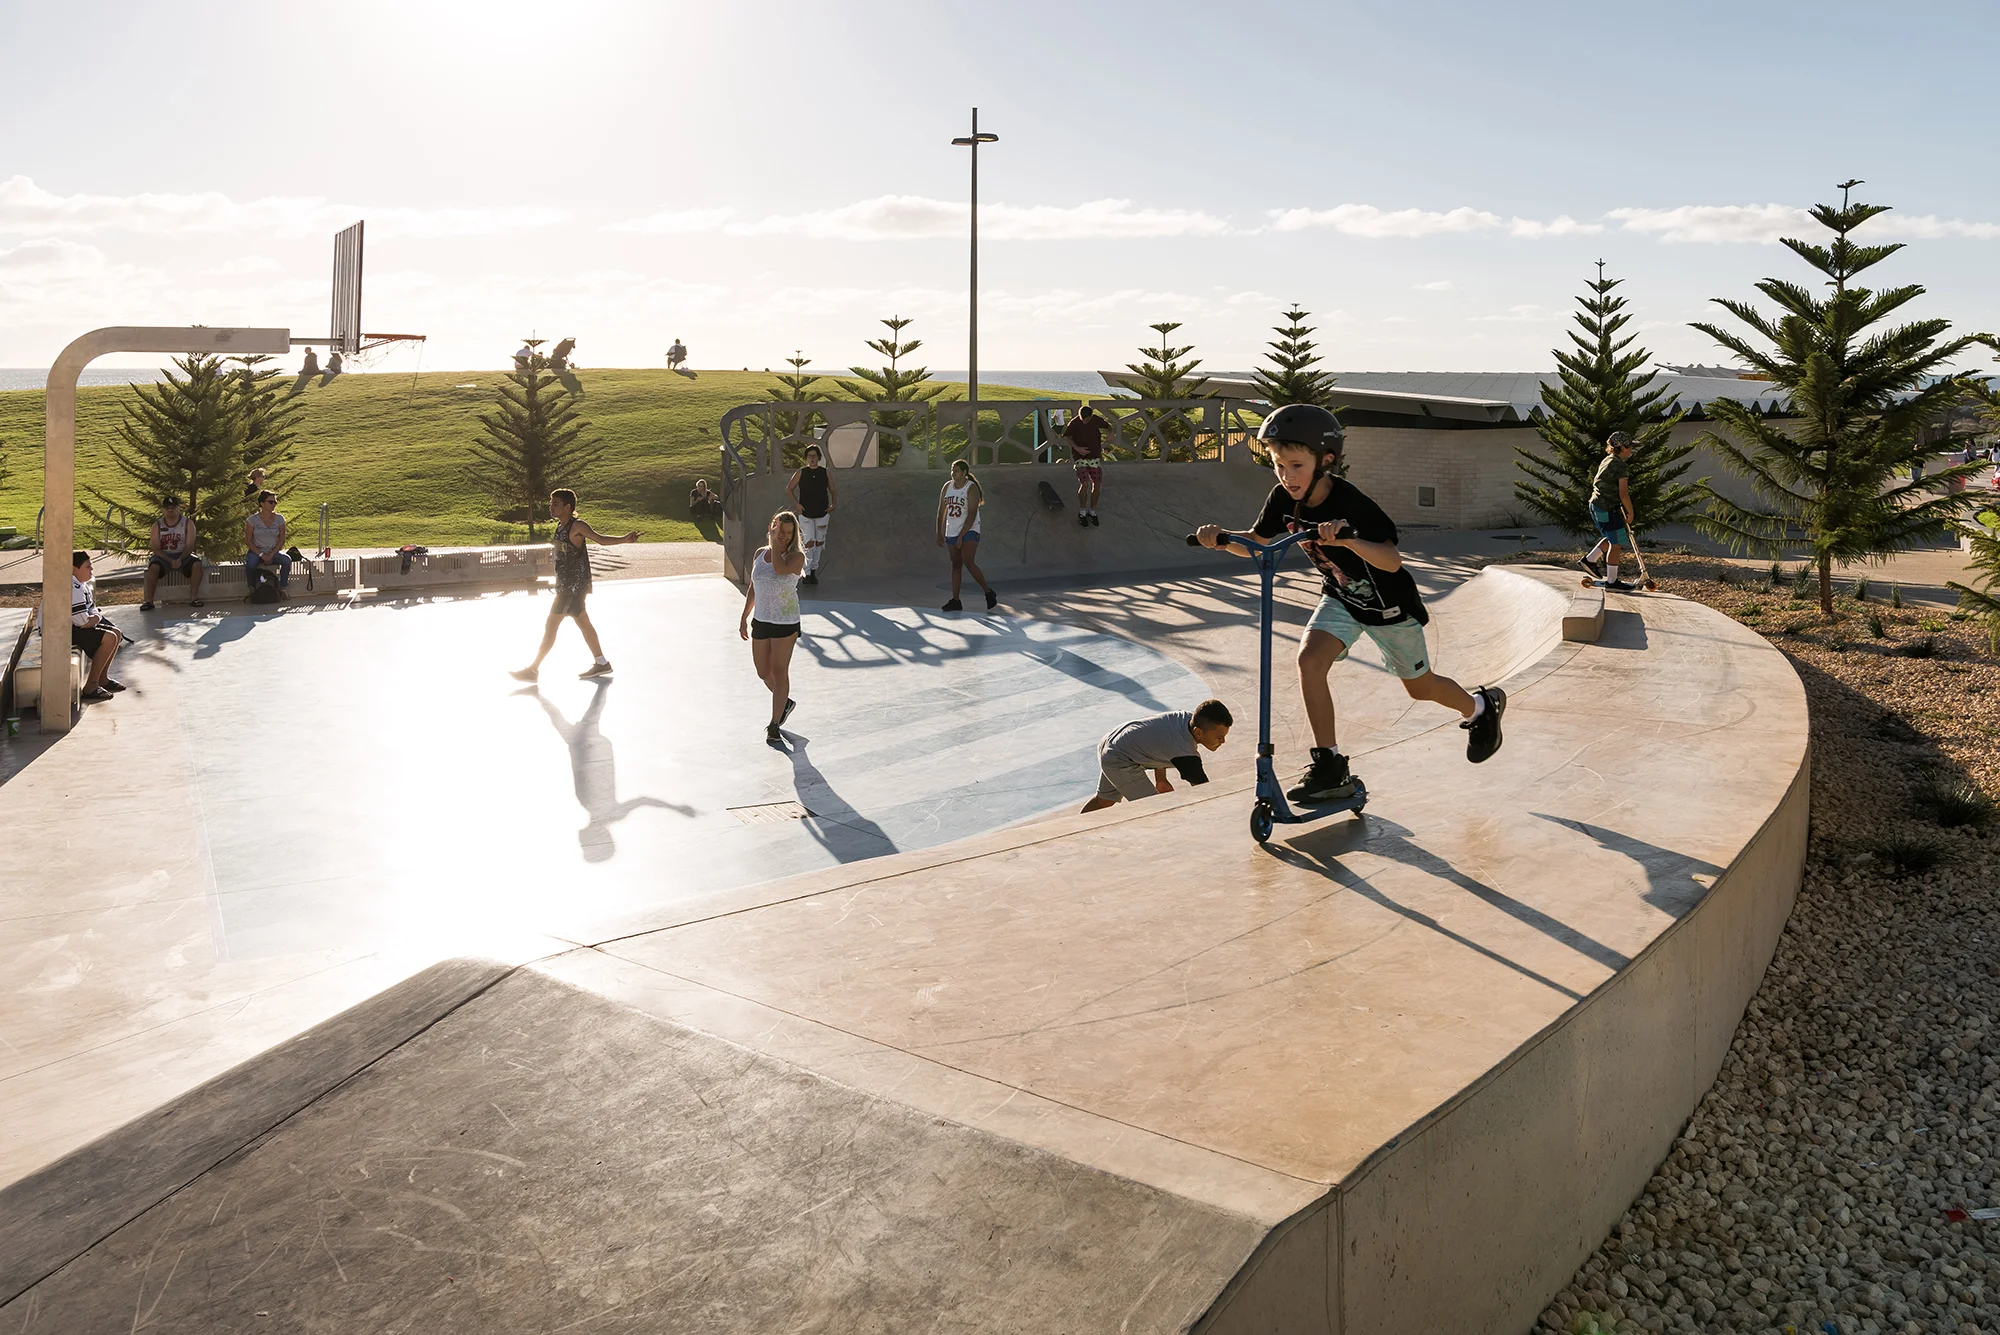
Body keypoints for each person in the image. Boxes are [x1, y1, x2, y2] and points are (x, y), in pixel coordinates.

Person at [1194, 403, 1505, 804]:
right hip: (1340, 598)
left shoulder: (1351, 502)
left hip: (1388, 607)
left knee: (1421, 688)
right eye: (1278, 465)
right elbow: (1260, 542)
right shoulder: (1281, 499)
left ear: (1325, 460)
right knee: (1309, 661)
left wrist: (1348, 539)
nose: (1286, 476)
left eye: (1296, 465)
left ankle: (1481, 707)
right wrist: (1220, 537)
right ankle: (1330, 764)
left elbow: (1392, 561)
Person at [510, 489, 641, 682]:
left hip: (572, 587)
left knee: (551, 625)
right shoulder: (560, 527)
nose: (551, 507)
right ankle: (602, 662)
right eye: (551, 503)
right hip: (566, 584)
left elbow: (601, 539)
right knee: (583, 623)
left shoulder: (577, 526)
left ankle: (533, 669)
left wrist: (625, 539)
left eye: (556, 504)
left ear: (568, 507)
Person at [1080, 700, 1233, 814]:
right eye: (1219, 737)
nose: (1223, 741)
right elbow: (1204, 792)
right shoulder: (1187, 755)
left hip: (1113, 741)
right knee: (1157, 811)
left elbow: (1160, 741)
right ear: (1198, 732)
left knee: (1105, 800)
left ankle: (1076, 829)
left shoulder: (1186, 718)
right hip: (1120, 758)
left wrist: (1161, 779)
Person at [740, 510, 805, 743]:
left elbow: (779, 568)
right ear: (772, 527)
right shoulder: (760, 554)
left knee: (779, 672)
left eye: (788, 533)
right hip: (762, 619)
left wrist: (774, 543)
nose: (784, 536)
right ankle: (785, 703)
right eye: (780, 531)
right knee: (762, 671)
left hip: (785, 623)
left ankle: (774, 723)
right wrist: (744, 616)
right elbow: (754, 586)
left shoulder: (796, 557)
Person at [936, 458, 996, 612]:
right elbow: (941, 510)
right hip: (952, 530)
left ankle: (988, 592)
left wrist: (962, 536)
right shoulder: (947, 487)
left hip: (970, 529)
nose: (953, 473)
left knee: (968, 562)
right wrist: (939, 532)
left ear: (964, 473)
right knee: (955, 564)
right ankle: (956, 600)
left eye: (956, 471)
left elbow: (972, 513)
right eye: (951, 470)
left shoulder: (971, 488)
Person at [1580, 431, 1638, 592]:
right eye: (1630, 446)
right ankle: (1612, 582)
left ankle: (1589, 560)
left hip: (1597, 505)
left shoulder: (1608, 460)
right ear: (1622, 447)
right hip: (1606, 508)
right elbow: (1623, 493)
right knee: (1616, 543)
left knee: (1611, 537)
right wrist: (1630, 512)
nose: (1631, 449)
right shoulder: (1621, 466)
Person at [66, 550, 126, 701]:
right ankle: (90, 686)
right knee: (110, 638)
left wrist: (94, 617)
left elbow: (92, 608)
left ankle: (102, 679)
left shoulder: (81, 584)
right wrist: (93, 619)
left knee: (116, 633)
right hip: (60, 632)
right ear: (74, 569)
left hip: (72, 627)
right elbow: (82, 621)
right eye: (88, 567)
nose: (91, 570)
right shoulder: (73, 587)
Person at [139, 496, 204, 611]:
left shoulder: (187, 523)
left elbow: (190, 545)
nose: (170, 510)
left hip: (183, 554)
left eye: (173, 508)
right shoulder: (157, 526)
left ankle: (194, 598)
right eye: (167, 508)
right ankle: (149, 601)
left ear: (178, 509)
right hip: (163, 555)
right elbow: (156, 548)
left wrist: (180, 558)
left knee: (197, 565)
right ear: (163, 510)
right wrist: (169, 560)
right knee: (153, 567)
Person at [786, 444, 837, 586]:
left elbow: (833, 489)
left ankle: (814, 570)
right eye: (809, 456)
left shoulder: (825, 472)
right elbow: (789, 489)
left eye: (814, 456)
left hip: (822, 512)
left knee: (819, 541)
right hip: (806, 513)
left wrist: (833, 503)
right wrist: (796, 504)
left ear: (819, 457)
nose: (812, 459)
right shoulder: (801, 472)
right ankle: (806, 572)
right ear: (806, 458)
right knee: (809, 542)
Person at [1064, 405, 1108, 527]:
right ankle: (1082, 511)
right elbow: (1067, 436)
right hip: (1080, 458)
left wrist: (1111, 434)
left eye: (1086, 420)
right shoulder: (1074, 423)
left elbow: (1109, 427)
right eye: (1082, 418)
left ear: (1091, 416)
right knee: (1085, 483)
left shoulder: (1096, 420)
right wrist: (1077, 448)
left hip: (1094, 457)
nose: (1084, 421)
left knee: (1097, 484)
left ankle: (1092, 511)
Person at [243, 491, 291, 591]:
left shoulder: (279, 519)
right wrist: (262, 555)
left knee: (287, 560)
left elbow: (281, 539)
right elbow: (248, 540)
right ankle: (252, 588)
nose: (273, 504)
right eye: (270, 502)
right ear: (262, 503)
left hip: (273, 551)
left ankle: (283, 587)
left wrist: (271, 555)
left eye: (275, 502)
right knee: (250, 564)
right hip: (257, 551)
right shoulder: (252, 520)